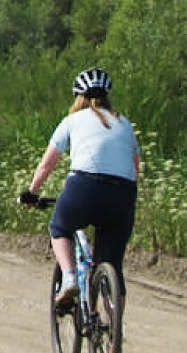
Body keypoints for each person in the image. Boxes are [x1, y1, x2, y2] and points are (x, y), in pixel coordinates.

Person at [20, 68, 141, 309]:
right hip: (123, 193)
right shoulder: (124, 123)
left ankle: (69, 278)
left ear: (78, 98)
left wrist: (31, 192)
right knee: (113, 265)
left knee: (59, 227)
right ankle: (114, 327)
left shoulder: (72, 121)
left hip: (84, 187)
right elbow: (135, 167)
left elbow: (47, 163)